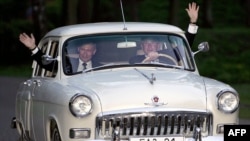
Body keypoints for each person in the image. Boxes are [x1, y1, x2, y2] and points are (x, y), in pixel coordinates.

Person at [129, 2, 199, 64]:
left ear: (158, 45)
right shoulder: (134, 59)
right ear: (142, 46)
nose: (149, 46)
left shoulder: (169, 55)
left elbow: (185, 46)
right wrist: (149, 59)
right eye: (146, 43)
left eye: (153, 43)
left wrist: (193, 22)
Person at [19, 33, 99, 73]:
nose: (85, 53)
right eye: (83, 49)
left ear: (94, 51)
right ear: (78, 49)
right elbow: (47, 63)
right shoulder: (67, 64)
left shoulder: (100, 66)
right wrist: (33, 47)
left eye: (88, 50)